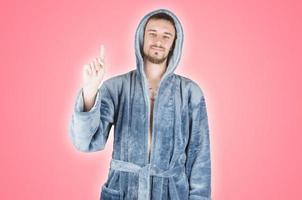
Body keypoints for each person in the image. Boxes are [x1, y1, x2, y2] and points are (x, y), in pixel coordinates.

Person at [69, 8, 211, 200]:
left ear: (174, 44)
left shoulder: (190, 92)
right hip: (123, 191)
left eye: (166, 36)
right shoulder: (116, 87)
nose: (158, 41)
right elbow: (86, 142)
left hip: (171, 193)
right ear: (141, 37)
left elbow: (199, 157)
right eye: (152, 33)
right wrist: (90, 91)